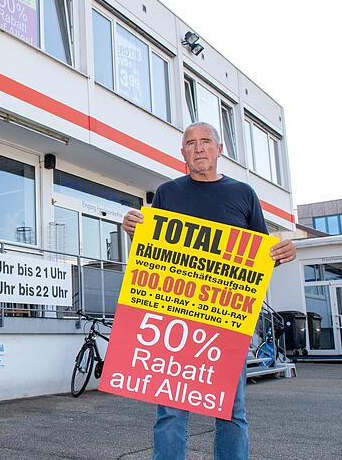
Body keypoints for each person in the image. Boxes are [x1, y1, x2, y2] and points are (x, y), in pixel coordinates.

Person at [122, 122, 296, 460]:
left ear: (219, 149)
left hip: (228, 321)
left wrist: (283, 253)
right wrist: (134, 232)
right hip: (176, 320)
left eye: (205, 142)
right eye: (191, 143)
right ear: (182, 153)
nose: (199, 148)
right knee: (171, 413)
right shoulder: (167, 193)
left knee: (231, 411)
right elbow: (151, 255)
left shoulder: (243, 194)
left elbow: (261, 258)